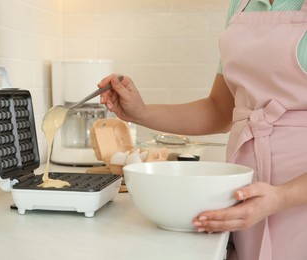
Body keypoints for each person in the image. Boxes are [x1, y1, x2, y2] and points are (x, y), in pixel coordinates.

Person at [97, 0, 307, 259]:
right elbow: (219, 110)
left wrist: (280, 198)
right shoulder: (242, 5)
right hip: (247, 190)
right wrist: (141, 112)